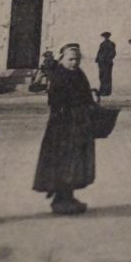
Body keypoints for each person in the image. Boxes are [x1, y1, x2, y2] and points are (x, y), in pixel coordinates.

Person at [31, 42, 96, 215]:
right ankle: (60, 199)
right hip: (62, 126)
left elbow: (86, 94)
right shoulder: (59, 76)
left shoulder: (78, 73)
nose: (74, 63)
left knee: (76, 160)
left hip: (78, 123)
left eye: (77, 59)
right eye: (70, 59)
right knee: (64, 160)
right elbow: (55, 102)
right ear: (62, 59)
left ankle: (68, 196)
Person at [95, 32, 117, 97]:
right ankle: (102, 90)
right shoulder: (102, 44)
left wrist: (108, 58)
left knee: (107, 77)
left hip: (107, 63)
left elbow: (113, 53)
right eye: (104, 36)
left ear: (108, 37)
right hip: (101, 63)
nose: (105, 38)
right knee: (101, 76)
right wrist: (98, 60)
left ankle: (107, 92)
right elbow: (99, 52)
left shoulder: (112, 44)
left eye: (106, 36)